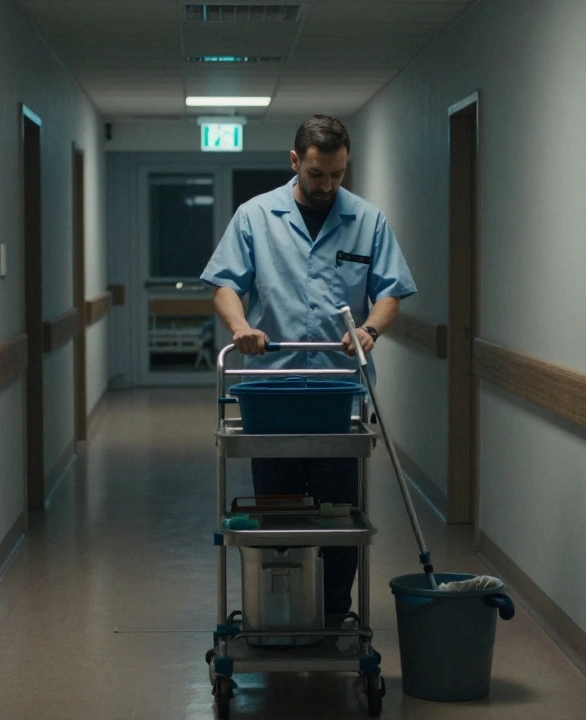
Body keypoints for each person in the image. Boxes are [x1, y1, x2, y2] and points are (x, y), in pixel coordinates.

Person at [200, 114, 417, 623]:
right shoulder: (256, 216)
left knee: (339, 516)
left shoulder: (368, 220)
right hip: (270, 391)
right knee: (278, 512)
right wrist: (240, 328)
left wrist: (369, 331)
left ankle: (333, 613)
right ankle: (281, 611)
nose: (328, 186)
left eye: (338, 175)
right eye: (318, 174)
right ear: (295, 161)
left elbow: (389, 293)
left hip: (338, 393)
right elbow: (225, 285)